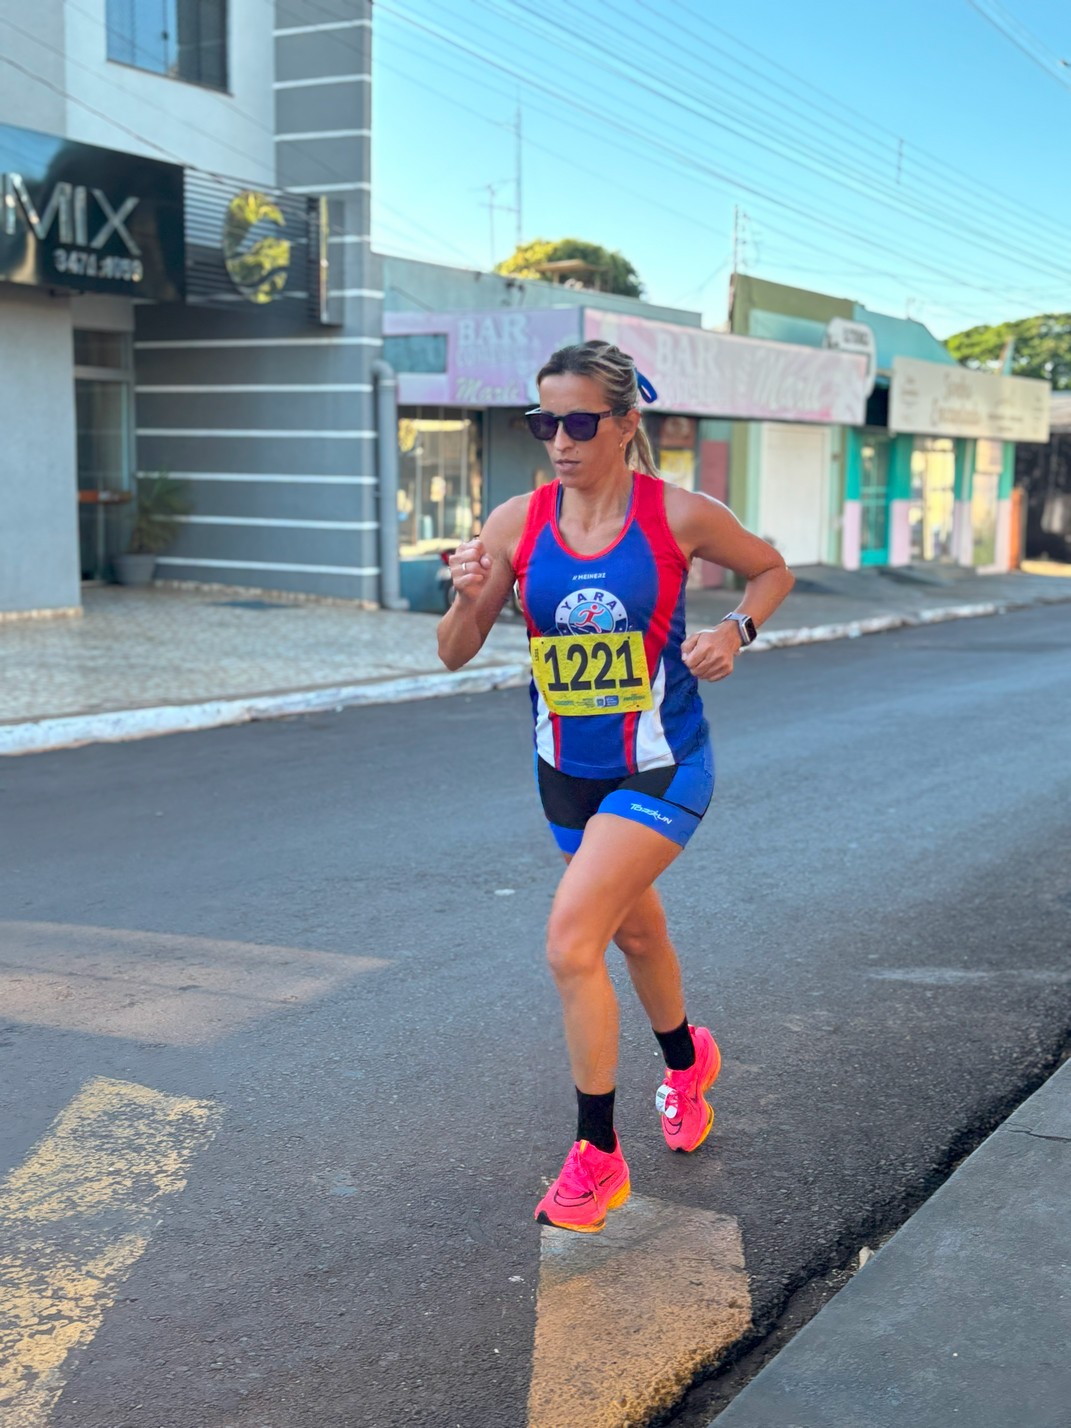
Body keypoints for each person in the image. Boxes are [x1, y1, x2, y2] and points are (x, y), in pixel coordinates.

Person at [437, 340, 794, 1233]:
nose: (558, 440)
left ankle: (597, 1155)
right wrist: (463, 594)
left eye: (578, 422)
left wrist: (736, 630)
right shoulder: (516, 521)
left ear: (625, 424)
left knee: (570, 942)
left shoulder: (678, 514)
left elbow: (772, 567)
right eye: (542, 421)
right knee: (634, 931)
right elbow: (455, 649)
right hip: (563, 770)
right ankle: (688, 1061)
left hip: (661, 762)